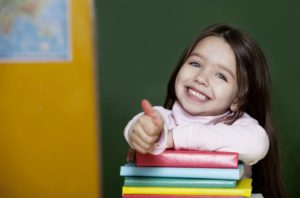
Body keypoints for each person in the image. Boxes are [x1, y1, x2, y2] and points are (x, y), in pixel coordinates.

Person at [124, 24, 286, 198]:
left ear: (238, 99)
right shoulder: (163, 120)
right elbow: (140, 125)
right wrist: (142, 132)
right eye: (195, 63)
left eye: (221, 76)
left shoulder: (242, 127)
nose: (201, 78)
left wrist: (175, 138)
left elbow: (257, 144)